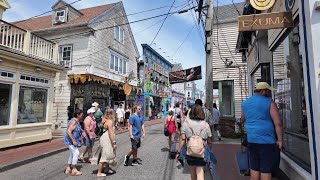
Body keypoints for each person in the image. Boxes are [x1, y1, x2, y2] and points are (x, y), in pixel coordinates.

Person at [241, 82, 284, 180]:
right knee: (265, 169)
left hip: (251, 139)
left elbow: (242, 119)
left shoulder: (245, 103)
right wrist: (280, 140)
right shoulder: (269, 102)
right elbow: (278, 123)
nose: (269, 93)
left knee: (254, 168)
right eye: (268, 91)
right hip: (267, 141)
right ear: (263, 91)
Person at [176, 104, 213, 180]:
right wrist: (209, 150)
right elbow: (209, 141)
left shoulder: (186, 124)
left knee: (192, 170)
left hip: (190, 151)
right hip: (202, 151)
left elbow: (182, 139)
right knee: (200, 170)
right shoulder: (206, 125)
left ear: (191, 112)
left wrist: (178, 152)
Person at [97, 108, 117, 177]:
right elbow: (110, 133)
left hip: (103, 137)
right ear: (112, 114)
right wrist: (114, 143)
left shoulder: (104, 120)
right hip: (107, 139)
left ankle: (107, 169)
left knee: (106, 153)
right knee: (105, 155)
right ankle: (99, 172)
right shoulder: (110, 122)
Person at [63, 108, 84, 176]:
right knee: (76, 153)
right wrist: (73, 140)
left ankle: (68, 168)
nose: (82, 116)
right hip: (70, 141)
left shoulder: (76, 121)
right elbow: (69, 131)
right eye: (81, 115)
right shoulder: (74, 121)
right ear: (78, 115)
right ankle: (74, 169)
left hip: (72, 141)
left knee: (72, 154)